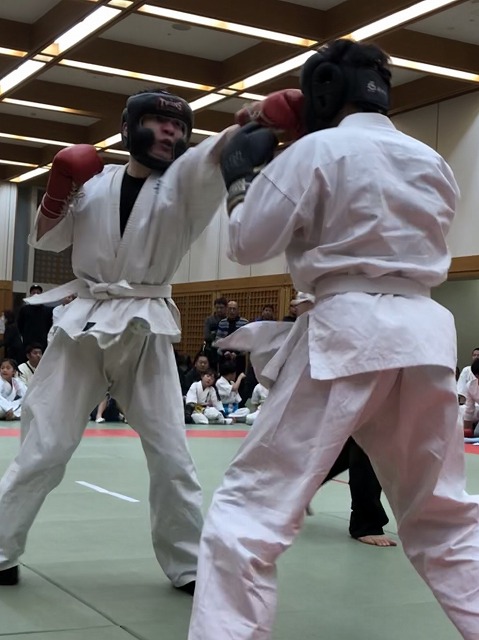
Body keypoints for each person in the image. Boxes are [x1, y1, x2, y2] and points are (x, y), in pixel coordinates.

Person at [188, 39, 479, 640]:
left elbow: (247, 243)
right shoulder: (433, 160)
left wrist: (242, 178)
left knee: (249, 509)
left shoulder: (317, 150)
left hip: (348, 332)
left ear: (322, 90)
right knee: (445, 519)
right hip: (425, 336)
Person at [0, 88, 237, 589]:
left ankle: (189, 565)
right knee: (43, 447)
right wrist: (57, 189)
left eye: (179, 126)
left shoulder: (185, 189)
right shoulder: (94, 184)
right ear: (128, 129)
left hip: (146, 326)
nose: (170, 131)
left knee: (172, 455)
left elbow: (215, 158)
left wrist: (254, 123)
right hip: (83, 323)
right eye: (159, 121)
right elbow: (45, 239)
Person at [17, 285, 53, 352]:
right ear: (30, 295)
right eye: (33, 293)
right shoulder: (24, 309)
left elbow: (49, 325)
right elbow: (20, 325)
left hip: (42, 342)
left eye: (38, 293)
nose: (36, 295)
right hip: (28, 342)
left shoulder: (48, 311)